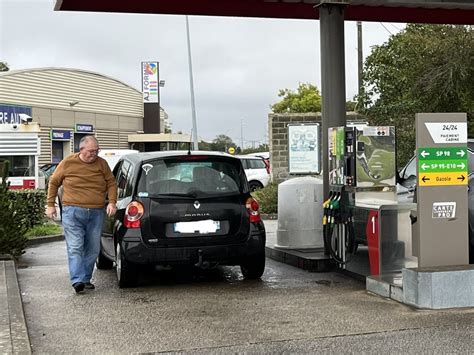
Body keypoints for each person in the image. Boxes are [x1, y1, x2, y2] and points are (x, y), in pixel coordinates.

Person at [46, 136, 117, 294]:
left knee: (93, 248)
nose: (95, 154)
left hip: (96, 212)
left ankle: (85, 279)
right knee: (75, 246)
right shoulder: (68, 163)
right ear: (81, 149)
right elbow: (54, 182)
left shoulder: (102, 164)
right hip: (72, 211)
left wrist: (112, 202)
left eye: (97, 151)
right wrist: (50, 205)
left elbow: (111, 183)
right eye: (91, 151)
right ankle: (77, 280)